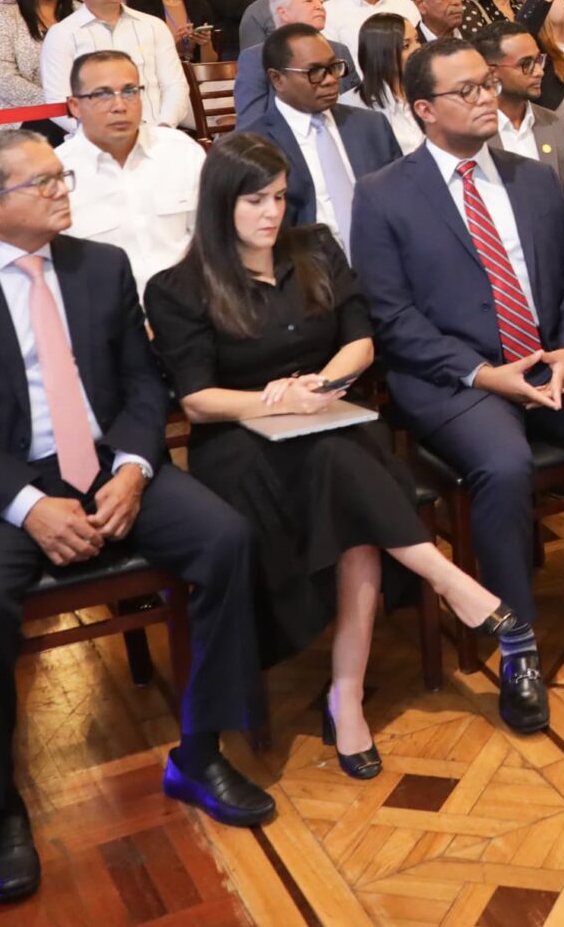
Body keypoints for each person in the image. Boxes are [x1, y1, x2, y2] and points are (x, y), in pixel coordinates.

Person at [0, 131, 276, 901]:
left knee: (226, 536)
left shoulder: (100, 266)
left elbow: (143, 385)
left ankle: (200, 749)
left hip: (106, 464)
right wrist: (30, 507)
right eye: (44, 181)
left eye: (62, 174)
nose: (64, 187)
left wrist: (135, 467)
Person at [145, 133, 520, 775]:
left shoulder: (313, 248)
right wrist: (276, 402)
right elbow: (200, 400)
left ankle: (347, 695)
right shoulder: (179, 287)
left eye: (280, 197)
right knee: (346, 476)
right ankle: (445, 580)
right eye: (254, 200)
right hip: (241, 444)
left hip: (330, 416)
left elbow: (361, 343)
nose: (272, 213)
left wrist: (319, 388)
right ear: (218, 204)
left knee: (343, 472)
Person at [356, 38, 564, 725]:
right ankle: (517, 645)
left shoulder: (531, 177)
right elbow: (392, 318)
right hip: (459, 379)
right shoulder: (384, 194)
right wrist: (485, 373)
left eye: (487, 83)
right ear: (424, 109)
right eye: (467, 90)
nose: (487, 97)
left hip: (550, 362)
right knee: (505, 464)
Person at [56, 48, 207, 293]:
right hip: (108, 317)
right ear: (75, 106)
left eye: (129, 91)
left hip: (189, 309)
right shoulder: (56, 171)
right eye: (103, 94)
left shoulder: (181, 151)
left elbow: (212, 239)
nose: (119, 106)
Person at [245, 24, 401, 234]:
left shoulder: (371, 126)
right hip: (305, 261)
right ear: (277, 79)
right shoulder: (254, 146)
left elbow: (401, 200)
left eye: (333, 67)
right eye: (315, 72)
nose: (330, 80)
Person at [38, 0, 194, 130]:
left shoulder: (153, 26)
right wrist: (98, 136)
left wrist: (165, 126)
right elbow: (57, 101)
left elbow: (175, 86)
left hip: (156, 135)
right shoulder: (62, 34)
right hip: (94, 143)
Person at [477, 21, 564, 232]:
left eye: (539, 60)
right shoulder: (472, 134)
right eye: (526, 64)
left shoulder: (557, 125)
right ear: (491, 72)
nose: (539, 71)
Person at [233, 0, 350, 131]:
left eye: (320, 1)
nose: (320, 6)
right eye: (309, 1)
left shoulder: (340, 51)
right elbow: (250, 123)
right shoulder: (256, 58)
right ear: (283, 12)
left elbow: (352, 109)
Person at [343, 14, 424, 153]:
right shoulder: (351, 105)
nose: (417, 48)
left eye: (417, 40)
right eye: (406, 45)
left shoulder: (430, 91)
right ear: (381, 52)